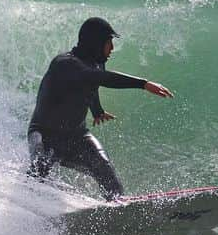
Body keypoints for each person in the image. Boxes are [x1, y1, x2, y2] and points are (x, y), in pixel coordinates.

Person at [27, 17, 173, 200]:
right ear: (95, 43)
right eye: (108, 42)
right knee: (39, 166)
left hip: (76, 136)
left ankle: (117, 211)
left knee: (105, 170)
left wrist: (97, 111)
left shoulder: (96, 62)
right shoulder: (64, 63)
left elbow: (91, 85)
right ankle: (25, 208)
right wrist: (143, 84)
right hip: (44, 135)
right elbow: (97, 78)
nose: (112, 47)